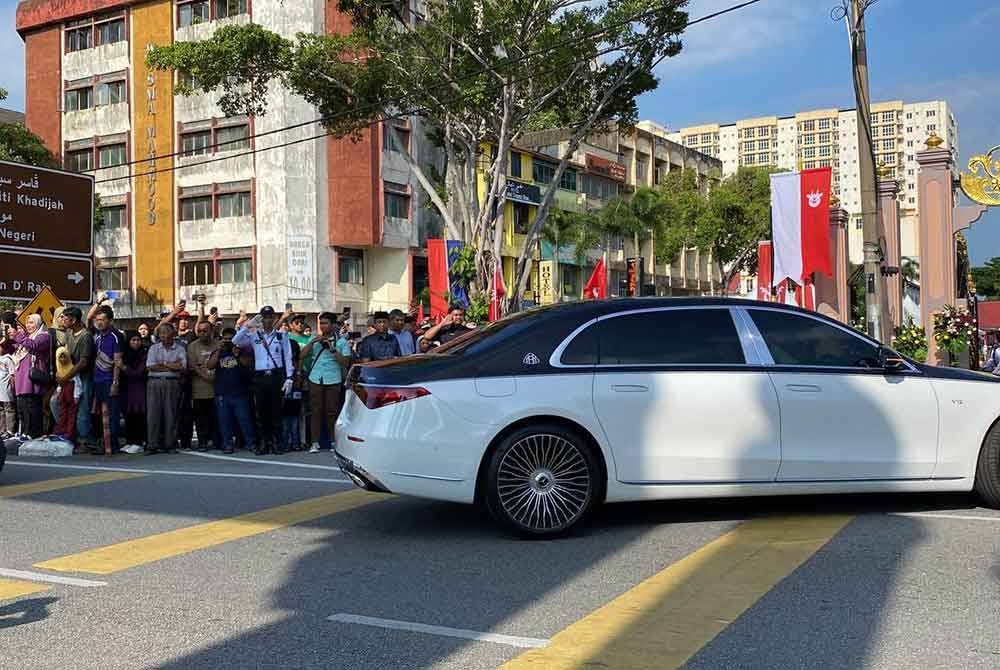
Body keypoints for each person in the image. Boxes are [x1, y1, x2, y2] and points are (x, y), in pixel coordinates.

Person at [233, 306, 294, 455]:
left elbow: (288, 356)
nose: (267, 320)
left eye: (269, 317)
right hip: (260, 377)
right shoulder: (254, 335)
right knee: (261, 412)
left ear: (274, 319)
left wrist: (290, 377)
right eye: (264, 317)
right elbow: (236, 340)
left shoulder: (281, 336)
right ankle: (264, 442)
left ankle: (277, 442)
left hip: (276, 375)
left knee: (276, 411)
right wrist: (249, 323)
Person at [301, 312, 353, 453]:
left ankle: (333, 442)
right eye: (321, 323)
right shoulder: (314, 338)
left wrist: (332, 349)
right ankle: (314, 443)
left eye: (326, 323)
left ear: (333, 324)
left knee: (332, 412)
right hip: (315, 377)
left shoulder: (341, 341)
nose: (323, 326)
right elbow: (302, 355)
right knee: (316, 411)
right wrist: (312, 342)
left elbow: (346, 362)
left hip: (333, 378)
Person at [209, 327, 255, 454]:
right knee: (224, 422)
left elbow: (247, 364)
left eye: (231, 339)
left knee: (245, 420)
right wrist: (218, 349)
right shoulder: (218, 351)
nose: (228, 341)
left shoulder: (242, 351)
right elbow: (210, 365)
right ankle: (227, 444)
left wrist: (237, 353)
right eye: (226, 339)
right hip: (222, 393)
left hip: (239, 392)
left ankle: (250, 443)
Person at [4, 315, 52, 439]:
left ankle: (34, 432)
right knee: (22, 407)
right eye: (27, 323)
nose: (29, 326)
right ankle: (25, 432)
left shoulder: (44, 336)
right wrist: (8, 336)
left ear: (38, 323)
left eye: (32, 323)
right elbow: (11, 348)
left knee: (33, 406)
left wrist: (18, 335)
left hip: (32, 378)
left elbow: (33, 345)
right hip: (21, 377)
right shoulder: (26, 337)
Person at [88, 305, 125, 455]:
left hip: (109, 380)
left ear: (110, 320)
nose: (99, 322)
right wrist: (97, 303)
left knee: (113, 415)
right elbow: (88, 319)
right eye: (98, 320)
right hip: (96, 380)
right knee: (97, 414)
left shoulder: (116, 336)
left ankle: (113, 444)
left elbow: (117, 361)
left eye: (103, 319)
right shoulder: (97, 336)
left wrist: (115, 383)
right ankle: (103, 443)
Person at [145, 323, 186, 455]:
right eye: (161, 333)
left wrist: (162, 364)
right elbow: (150, 366)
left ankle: (170, 444)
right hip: (154, 382)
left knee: (171, 414)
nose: (164, 336)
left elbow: (182, 366)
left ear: (173, 334)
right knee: (153, 414)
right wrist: (171, 366)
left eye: (166, 332)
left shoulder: (180, 349)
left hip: (172, 383)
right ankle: (152, 444)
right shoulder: (153, 348)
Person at [61, 306, 95, 448]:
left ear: (73, 320)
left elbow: (83, 362)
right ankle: (68, 434)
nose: (62, 320)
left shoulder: (86, 336)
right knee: (56, 403)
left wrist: (66, 376)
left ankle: (84, 440)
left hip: (84, 378)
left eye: (65, 317)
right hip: (70, 377)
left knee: (82, 409)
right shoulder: (69, 333)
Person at [187, 319, 219, 451]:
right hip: (199, 391)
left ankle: (217, 441)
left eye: (205, 331)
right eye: (199, 331)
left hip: (217, 390)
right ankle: (202, 442)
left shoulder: (218, 345)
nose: (202, 333)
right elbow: (193, 366)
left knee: (216, 418)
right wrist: (206, 376)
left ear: (211, 331)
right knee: (201, 419)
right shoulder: (192, 346)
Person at [122, 331, 147, 450]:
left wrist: (123, 367)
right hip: (127, 389)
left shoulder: (143, 354)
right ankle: (130, 440)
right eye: (133, 340)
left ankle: (139, 441)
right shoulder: (125, 355)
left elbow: (138, 373)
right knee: (129, 415)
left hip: (139, 388)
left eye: (138, 340)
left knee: (139, 415)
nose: (136, 343)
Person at [53, 346, 80, 443]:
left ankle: (69, 434)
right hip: (63, 395)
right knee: (63, 413)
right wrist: (59, 391)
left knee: (71, 414)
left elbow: (77, 383)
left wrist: (76, 395)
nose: (62, 359)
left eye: (64, 357)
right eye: (60, 357)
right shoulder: (59, 370)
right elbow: (59, 383)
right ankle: (61, 431)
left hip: (71, 395)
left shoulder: (72, 369)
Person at [0, 346, 15, 439]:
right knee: (1, 411)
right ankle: (2, 430)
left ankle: (10, 430)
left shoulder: (7, 359)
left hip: (6, 388)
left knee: (9, 409)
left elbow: (12, 374)